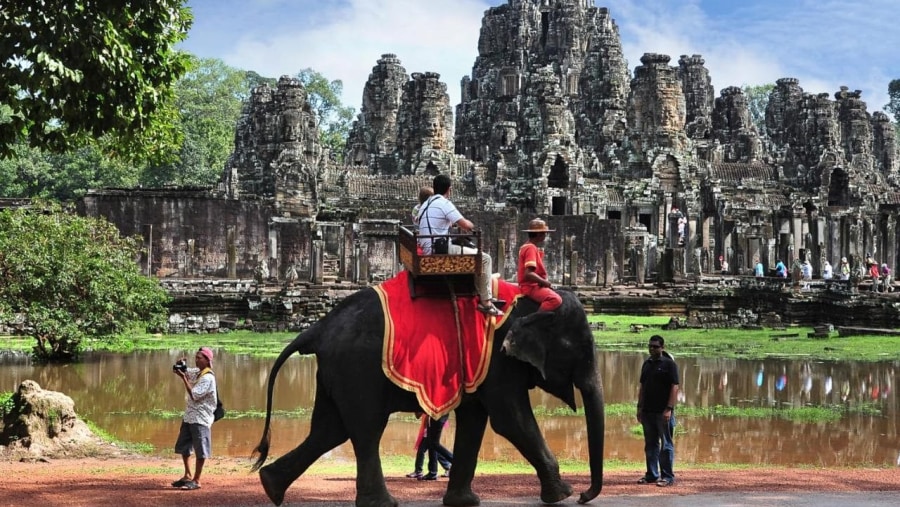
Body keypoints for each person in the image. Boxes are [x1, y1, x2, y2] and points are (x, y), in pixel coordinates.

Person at [417, 174, 501, 316]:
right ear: (449, 190)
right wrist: (472, 225)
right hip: (439, 249)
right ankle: (485, 301)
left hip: (429, 246)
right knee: (485, 259)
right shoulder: (444, 203)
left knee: (465, 248)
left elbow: (444, 222)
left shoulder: (425, 204)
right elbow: (466, 225)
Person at [171, 347, 218, 491]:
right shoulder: (199, 373)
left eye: (200, 358)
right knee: (185, 447)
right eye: (196, 357)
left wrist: (183, 377)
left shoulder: (208, 377)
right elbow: (185, 372)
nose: (196, 360)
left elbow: (194, 395)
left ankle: (196, 480)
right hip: (190, 416)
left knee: (201, 450)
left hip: (201, 417)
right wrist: (181, 366)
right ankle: (187, 475)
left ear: (207, 361)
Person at [636, 335, 679, 488]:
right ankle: (651, 475)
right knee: (650, 444)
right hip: (647, 411)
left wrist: (669, 409)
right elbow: (642, 387)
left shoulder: (669, 364)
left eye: (655, 346)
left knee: (666, 445)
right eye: (650, 346)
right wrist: (639, 407)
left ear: (662, 347)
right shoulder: (646, 364)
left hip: (663, 412)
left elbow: (674, 387)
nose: (652, 349)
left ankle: (667, 477)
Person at [517, 218, 562, 313]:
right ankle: (537, 320)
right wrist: (545, 282)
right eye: (544, 233)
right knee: (555, 299)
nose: (545, 235)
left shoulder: (526, 246)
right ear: (538, 234)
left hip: (531, 285)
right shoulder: (531, 248)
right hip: (530, 287)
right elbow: (528, 273)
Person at [406, 414, 452, 480]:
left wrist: (426, 428)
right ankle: (435, 471)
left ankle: (420, 471)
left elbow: (421, 416)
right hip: (431, 423)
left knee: (428, 447)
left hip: (432, 423)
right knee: (433, 447)